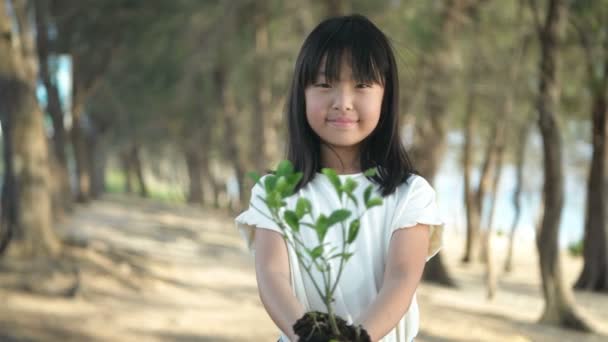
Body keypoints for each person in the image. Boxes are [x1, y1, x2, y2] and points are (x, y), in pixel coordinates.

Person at [235, 14, 444, 342]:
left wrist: (354, 337)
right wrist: (309, 334)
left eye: (361, 85)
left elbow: (401, 280)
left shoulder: (410, 194)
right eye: (324, 84)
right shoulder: (274, 193)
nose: (343, 103)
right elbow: (272, 276)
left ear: (385, 96)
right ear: (301, 94)